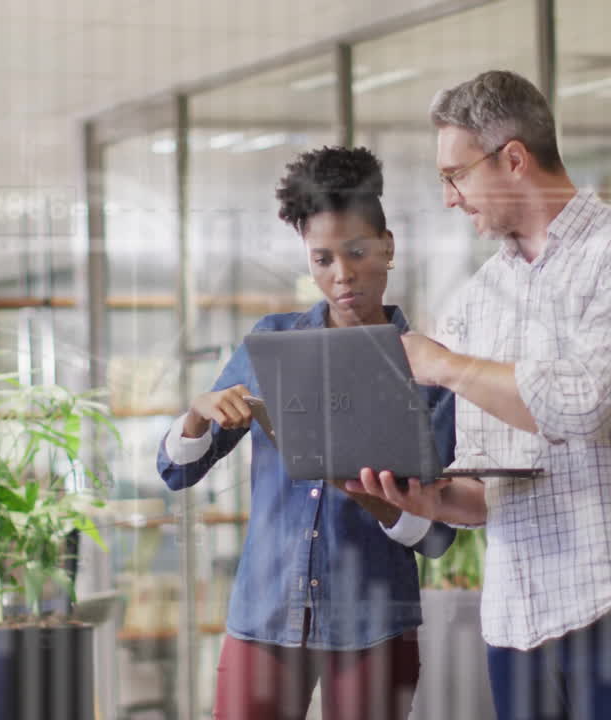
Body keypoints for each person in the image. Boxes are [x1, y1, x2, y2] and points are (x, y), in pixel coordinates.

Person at [345, 70, 611, 720]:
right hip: (514, 618)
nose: (450, 198)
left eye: (456, 175)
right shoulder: (479, 299)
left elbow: (579, 404)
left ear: (513, 158)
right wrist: (434, 499)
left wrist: (444, 366)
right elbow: (488, 489)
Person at [157, 145, 458, 720]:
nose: (341, 275)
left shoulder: (428, 368)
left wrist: (377, 501)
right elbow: (177, 470)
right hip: (263, 616)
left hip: (373, 624)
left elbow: (439, 537)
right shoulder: (271, 343)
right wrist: (198, 413)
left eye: (357, 252)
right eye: (322, 259)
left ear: (388, 247)